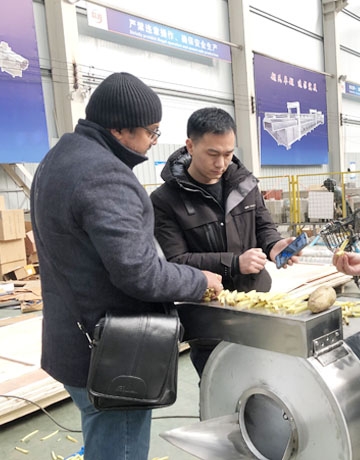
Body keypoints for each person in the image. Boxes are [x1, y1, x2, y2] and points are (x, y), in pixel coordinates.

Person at [30, 73, 223, 460]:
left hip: (75, 340)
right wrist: (197, 279)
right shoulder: (105, 176)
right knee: (119, 448)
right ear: (119, 129)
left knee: (101, 437)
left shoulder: (59, 158)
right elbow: (139, 272)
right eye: (151, 132)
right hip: (112, 354)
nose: (153, 142)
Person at [150, 107, 300, 377]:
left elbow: (263, 225)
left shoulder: (244, 183)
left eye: (228, 154)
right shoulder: (165, 200)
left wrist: (274, 245)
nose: (221, 164)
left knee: (268, 382)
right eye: (213, 154)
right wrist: (234, 264)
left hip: (256, 305)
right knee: (219, 387)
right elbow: (175, 262)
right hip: (209, 317)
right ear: (190, 146)